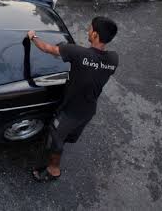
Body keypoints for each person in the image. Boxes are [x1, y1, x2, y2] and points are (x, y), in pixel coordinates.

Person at [27, 16, 119, 183]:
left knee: (55, 139)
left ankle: (53, 170)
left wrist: (33, 36)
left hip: (70, 112)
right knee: (70, 135)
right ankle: (65, 138)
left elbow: (47, 48)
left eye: (90, 29)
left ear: (95, 35)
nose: (88, 31)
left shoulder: (77, 53)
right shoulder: (113, 59)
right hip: (88, 110)